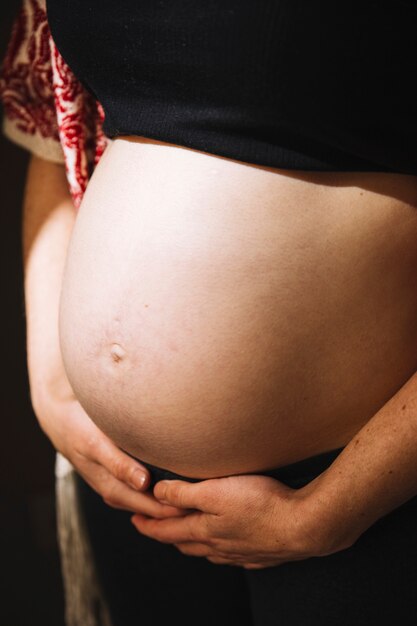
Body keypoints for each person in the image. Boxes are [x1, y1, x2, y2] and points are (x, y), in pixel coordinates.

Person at [2, 1, 417, 625]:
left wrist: (332, 509)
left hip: (358, 493)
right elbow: (51, 133)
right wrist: (53, 387)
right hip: (125, 485)